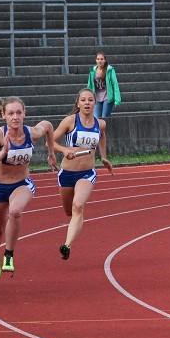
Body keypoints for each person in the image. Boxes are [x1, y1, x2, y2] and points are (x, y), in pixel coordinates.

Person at [0, 97, 56, 279]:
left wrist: (51, 153)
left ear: (25, 113)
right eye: (11, 113)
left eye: (18, 112)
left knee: (15, 211)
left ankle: (9, 255)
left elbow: (47, 125)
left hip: (22, 183)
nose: (15, 117)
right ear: (4, 115)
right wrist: (3, 152)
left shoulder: (32, 133)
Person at [52, 89, 114, 260]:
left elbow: (102, 137)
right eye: (83, 100)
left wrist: (103, 157)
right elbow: (51, 142)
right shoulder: (69, 121)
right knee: (68, 211)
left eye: (90, 100)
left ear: (95, 103)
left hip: (87, 173)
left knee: (78, 206)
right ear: (78, 103)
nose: (87, 103)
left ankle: (67, 245)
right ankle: (72, 227)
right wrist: (64, 150)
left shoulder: (100, 123)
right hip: (66, 173)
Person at [86, 52, 120, 119]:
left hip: (107, 97)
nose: (100, 61)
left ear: (105, 60)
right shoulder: (93, 70)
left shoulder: (109, 70)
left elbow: (115, 84)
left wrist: (117, 100)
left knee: (104, 118)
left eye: (101, 59)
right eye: (98, 59)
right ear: (96, 60)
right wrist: (88, 98)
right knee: (96, 118)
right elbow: (89, 85)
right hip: (97, 98)